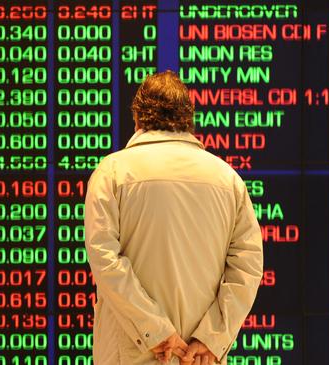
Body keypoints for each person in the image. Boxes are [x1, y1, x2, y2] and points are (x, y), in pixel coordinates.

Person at [84, 70, 263, 365]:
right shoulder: (227, 179)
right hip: (200, 358)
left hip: (130, 353)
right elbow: (248, 265)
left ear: (137, 118)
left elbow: (105, 260)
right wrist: (211, 338)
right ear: (188, 119)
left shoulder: (112, 173)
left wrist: (155, 332)